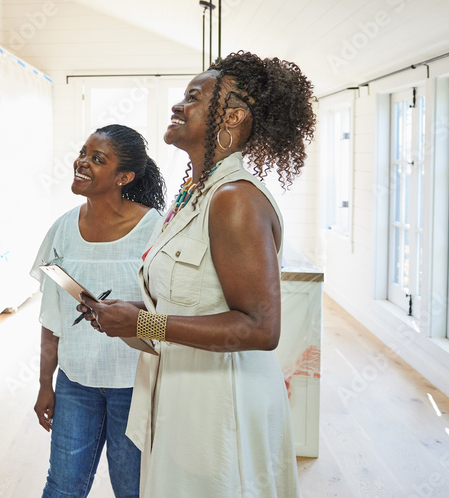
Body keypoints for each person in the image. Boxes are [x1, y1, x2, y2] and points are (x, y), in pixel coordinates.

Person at [79, 52, 316, 497]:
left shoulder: (233, 199)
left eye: (193, 97)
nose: (178, 105)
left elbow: (260, 328)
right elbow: (186, 303)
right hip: (182, 390)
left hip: (221, 404)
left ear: (232, 117)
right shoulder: (193, 194)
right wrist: (130, 314)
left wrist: (143, 322)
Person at [31, 124, 167, 498]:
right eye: (83, 152)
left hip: (135, 387)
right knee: (62, 487)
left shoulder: (155, 230)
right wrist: (46, 383)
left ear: (124, 176)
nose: (82, 162)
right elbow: (53, 315)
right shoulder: (62, 229)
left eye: (97, 158)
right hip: (75, 385)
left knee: (133, 490)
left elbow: (171, 311)